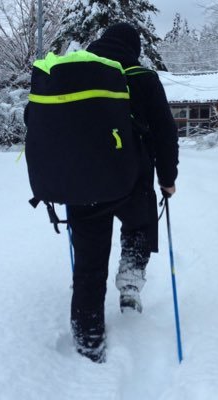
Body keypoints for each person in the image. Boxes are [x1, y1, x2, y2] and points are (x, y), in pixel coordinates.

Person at [67, 22, 179, 363]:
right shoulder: (143, 77)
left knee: (88, 265)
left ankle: (89, 344)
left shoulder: (74, 73)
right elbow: (164, 132)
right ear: (134, 48)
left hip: (82, 185)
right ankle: (130, 287)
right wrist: (167, 178)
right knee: (140, 227)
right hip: (133, 182)